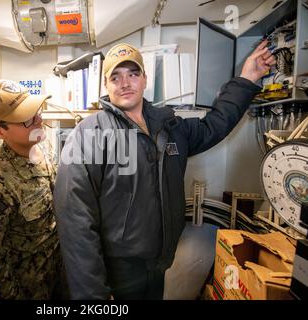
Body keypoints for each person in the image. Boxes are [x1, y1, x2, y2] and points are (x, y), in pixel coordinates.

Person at [53, 42, 276, 299]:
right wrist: (92, 295)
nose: (125, 83)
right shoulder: (89, 134)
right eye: (116, 76)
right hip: (115, 273)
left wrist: (247, 78)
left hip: (159, 265)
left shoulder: (170, 126)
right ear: (106, 84)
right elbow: (75, 220)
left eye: (133, 74)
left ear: (145, 79)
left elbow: (215, 125)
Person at [0, 80, 66, 299]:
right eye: (28, 119)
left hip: (60, 276)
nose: (39, 120)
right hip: (30, 290)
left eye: (37, 112)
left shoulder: (42, 147)